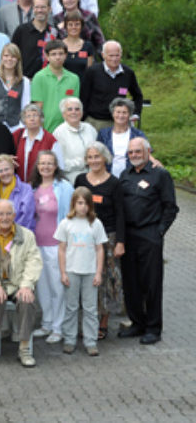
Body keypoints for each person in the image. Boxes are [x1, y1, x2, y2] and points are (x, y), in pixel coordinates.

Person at [117, 138, 179, 345]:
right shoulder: (124, 176)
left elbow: (171, 207)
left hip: (149, 235)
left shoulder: (160, 175)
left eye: (138, 151)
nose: (134, 155)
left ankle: (153, 327)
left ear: (147, 152)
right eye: (131, 152)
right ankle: (137, 323)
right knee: (131, 282)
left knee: (151, 283)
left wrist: (159, 232)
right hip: (128, 237)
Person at [0, 199, 42, 368]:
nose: (4, 217)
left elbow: (33, 262)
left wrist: (26, 285)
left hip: (18, 283)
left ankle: (24, 348)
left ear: (14, 215)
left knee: (27, 300)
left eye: (8, 214)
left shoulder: (27, 236)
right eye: (0, 214)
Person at [74, 142, 126, 340]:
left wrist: (120, 241)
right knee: (85, 278)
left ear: (105, 158)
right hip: (83, 237)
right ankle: (87, 321)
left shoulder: (114, 183)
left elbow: (121, 214)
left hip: (108, 238)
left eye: (97, 156)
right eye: (90, 157)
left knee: (107, 280)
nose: (93, 160)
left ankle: (102, 323)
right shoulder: (80, 180)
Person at [55, 187, 107, 356]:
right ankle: (69, 339)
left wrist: (98, 273)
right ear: (73, 204)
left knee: (90, 308)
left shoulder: (95, 224)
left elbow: (100, 249)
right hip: (72, 271)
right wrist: (63, 272)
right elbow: (62, 249)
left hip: (90, 272)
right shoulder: (66, 223)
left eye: (86, 203)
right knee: (71, 307)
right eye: (79, 203)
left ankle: (90, 341)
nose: (83, 207)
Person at [28, 150, 73, 343]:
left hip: (57, 245)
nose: (45, 167)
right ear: (37, 167)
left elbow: (71, 216)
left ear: (56, 166)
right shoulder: (33, 188)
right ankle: (46, 323)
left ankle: (58, 327)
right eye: (42, 163)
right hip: (37, 244)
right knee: (42, 288)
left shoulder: (64, 187)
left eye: (49, 163)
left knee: (57, 287)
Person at [81, 40, 144, 131]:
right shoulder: (92, 72)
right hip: (96, 122)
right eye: (111, 55)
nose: (114, 59)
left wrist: (135, 113)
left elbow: (138, 96)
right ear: (103, 55)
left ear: (121, 55)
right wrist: (83, 119)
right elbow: (84, 97)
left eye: (117, 55)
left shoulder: (128, 73)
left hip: (119, 122)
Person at [30, 39, 80, 132]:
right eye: (53, 54)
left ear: (65, 55)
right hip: (46, 129)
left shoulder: (74, 78)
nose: (58, 57)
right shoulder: (39, 77)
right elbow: (37, 107)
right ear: (47, 57)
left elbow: (75, 107)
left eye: (61, 54)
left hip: (67, 130)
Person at [0, 43, 31, 131]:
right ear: (1, 58)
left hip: (16, 127)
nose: (9, 59)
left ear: (18, 60)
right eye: (6, 56)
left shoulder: (25, 81)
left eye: (13, 56)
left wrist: (22, 127)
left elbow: (25, 107)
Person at [10, 0, 59, 79]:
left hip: (48, 80)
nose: (39, 10)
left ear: (49, 9)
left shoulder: (53, 32)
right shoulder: (21, 30)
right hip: (25, 80)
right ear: (33, 8)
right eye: (36, 7)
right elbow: (13, 54)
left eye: (43, 7)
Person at [97, 98, 148, 177]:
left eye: (124, 112)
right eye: (118, 112)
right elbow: (97, 154)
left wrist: (155, 161)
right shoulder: (103, 134)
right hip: (108, 176)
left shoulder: (137, 134)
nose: (120, 115)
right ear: (113, 113)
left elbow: (147, 153)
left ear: (129, 115)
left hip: (132, 176)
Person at [12, 104, 63, 183]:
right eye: (28, 116)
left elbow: (59, 165)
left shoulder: (50, 139)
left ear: (41, 119)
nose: (32, 119)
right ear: (24, 120)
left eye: (35, 115)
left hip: (41, 185)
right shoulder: (16, 135)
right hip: (19, 186)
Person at [54, 97, 98, 182]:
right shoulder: (59, 133)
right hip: (72, 179)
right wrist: (83, 162)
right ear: (63, 114)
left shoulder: (90, 128)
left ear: (81, 112)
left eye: (77, 109)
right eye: (70, 109)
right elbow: (60, 163)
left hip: (94, 177)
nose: (74, 112)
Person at [0, 154, 35, 230]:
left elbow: (26, 217)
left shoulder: (26, 189)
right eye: (0, 171)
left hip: (19, 235)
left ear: (13, 169)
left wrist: (11, 234)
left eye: (7, 169)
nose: (4, 173)